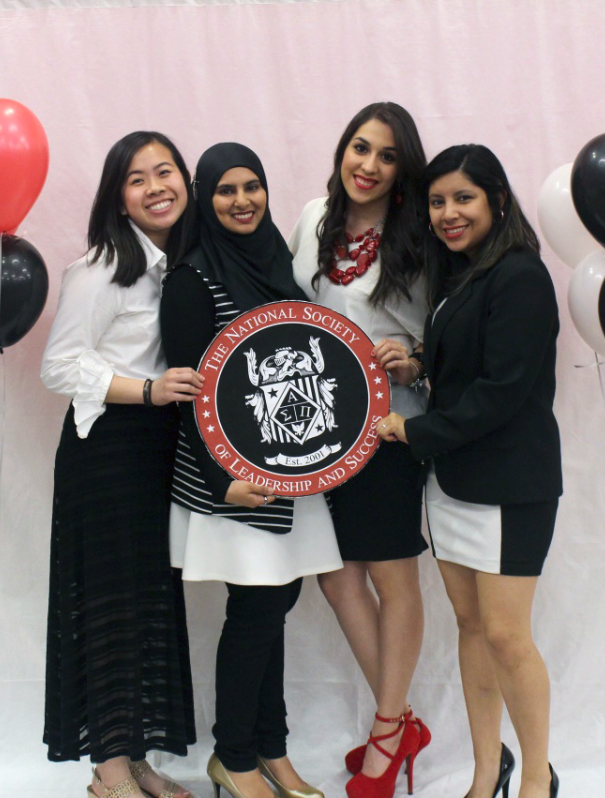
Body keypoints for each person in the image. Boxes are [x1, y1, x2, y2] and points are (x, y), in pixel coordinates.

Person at [377, 144, 561, 798]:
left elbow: (502, 390)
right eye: (436, 201)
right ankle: (488, 769)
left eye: (463, 198)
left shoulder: (520, 275)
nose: (448, 213)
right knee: (471, 627)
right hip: (453, 481)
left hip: (510, 486)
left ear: (497, 201)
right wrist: (419, 365)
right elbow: (468, 366)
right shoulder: (461, 275)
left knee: (509, 636)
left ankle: (537, 780)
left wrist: (412, 429)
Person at [160, 142, 343, 798]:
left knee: (277, 604)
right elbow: (185, 394)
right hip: (229, 481)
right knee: (257, 609)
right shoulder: (191, 278)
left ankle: (272, 749)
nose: (242, 201)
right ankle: (234, 759)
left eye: (251, 187)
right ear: (204, 200)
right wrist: (219, 483)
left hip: (284, 477)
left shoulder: (276, 266)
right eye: (225, 190)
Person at [41, 131, 203, 798]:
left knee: (142, 605)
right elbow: (59, 365)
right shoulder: (103, 267)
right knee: (108, 602)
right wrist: (148, 389)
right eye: (138, 178)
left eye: (165, 171)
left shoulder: (175, 264)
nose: (156, 185)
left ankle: (132, 756)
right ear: (119, 198)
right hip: (106, 451)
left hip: (153, 451)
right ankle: (107, 770)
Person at [289, 102, 431, 798]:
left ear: (401, 170)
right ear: (342, 148)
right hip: (318, 433)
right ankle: (400, 722)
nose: (367, 166)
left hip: (389, 430)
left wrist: (414, 357)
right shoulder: (312, 219)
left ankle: (384, 738)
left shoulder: (421, 235)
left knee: (389, 576)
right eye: (359, 148)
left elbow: (444, 332)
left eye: (384, 156)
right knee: (336, 575)